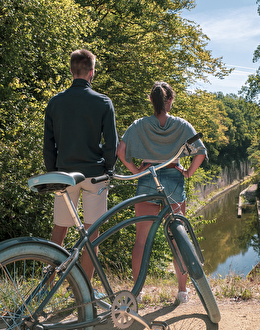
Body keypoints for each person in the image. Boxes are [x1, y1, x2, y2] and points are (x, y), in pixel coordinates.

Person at [116, 81, 207, 304]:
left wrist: (136, 170)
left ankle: (136, 293)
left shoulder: (140, 125)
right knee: (179, 238)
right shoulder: (182, 125)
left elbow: (121, 151)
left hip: (148, 178)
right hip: (174, 179)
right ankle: (182, 292)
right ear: (170, 101)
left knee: (141, 241)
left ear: (151, 101)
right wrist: (188, 173)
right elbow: (201, 152)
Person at [43, 49, 118, 280]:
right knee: (92, 234)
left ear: (71, 70)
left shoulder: (55, 102)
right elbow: (111, 142)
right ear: (91, 73)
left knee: (59, 230)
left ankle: (45, 286)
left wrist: (53, 173)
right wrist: (109, 168)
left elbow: (48, 144)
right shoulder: (103, 102)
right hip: (94, 175)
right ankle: (84, 294)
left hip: (64, 175)